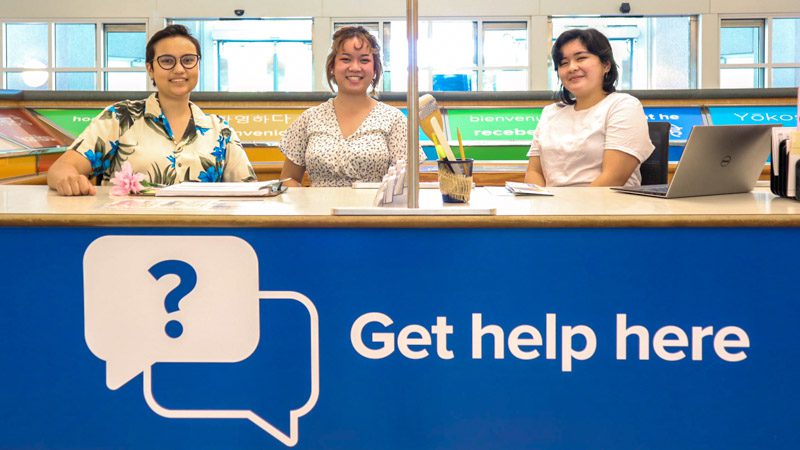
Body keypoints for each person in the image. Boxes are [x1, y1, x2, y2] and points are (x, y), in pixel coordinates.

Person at [47, 24, 255, 196]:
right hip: (127, 235)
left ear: (197, 65)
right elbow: (61, 168)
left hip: (201, 236)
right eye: (167, 61)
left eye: (188, 60)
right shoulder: (120, 117)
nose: (179, 69)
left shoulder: (220, 130)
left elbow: (250, 190)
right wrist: (70, 179)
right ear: (150, 69)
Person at [279, 26, 424, 187]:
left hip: (374, 211)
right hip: (318, 211)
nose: (355, 67)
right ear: (332, 67)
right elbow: (288, 180)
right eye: (346, 59)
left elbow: (407, 185)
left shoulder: (394, 120)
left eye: (364, 60)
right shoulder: (309, 119)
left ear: (375, 69)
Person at [524, 28, 653, 187]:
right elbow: (534, 172)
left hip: (606, 208)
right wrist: (542, 205)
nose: (572, 68)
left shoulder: (623, 106)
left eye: (581, 58)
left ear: (606, 65)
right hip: (553, 207)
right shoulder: (550, 113)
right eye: (563, 63)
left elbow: (613, 178)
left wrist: (567, 210)